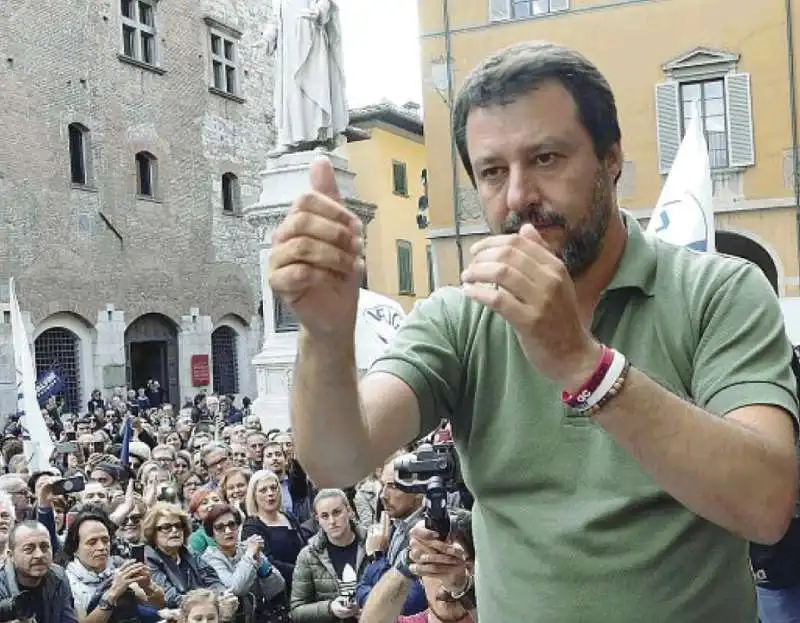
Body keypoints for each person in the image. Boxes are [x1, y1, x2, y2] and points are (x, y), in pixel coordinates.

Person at [267, 40, 800, 622]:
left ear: (611, 158)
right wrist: (323, 334)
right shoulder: (461, 316)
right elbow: (337, 459)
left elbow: (766, 504)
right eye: (493, 172)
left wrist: (583, 365)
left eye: (546, 158)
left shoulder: (719, 292)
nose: (519, 195)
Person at [263, 0, 348, 154]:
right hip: (288, 45)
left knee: (315, 86)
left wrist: (319, 11)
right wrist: (270, 33)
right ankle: (289, 140)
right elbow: (277, 15)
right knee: (291, 92)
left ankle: (320, 138)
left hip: (311, 35)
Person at [291, 489, 368, 622]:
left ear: (349, 511)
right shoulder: (308, 555)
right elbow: (296, 611)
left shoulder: (371, 544)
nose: (332, 521)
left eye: (337, 512)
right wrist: (330, 609)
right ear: (318, 519)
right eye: (325, 516)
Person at [0, 520, 78, 622]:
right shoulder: (2, 584)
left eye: (44, 547)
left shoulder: (58, 576)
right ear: (11, 556)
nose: (39, 555)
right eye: (29, 549)